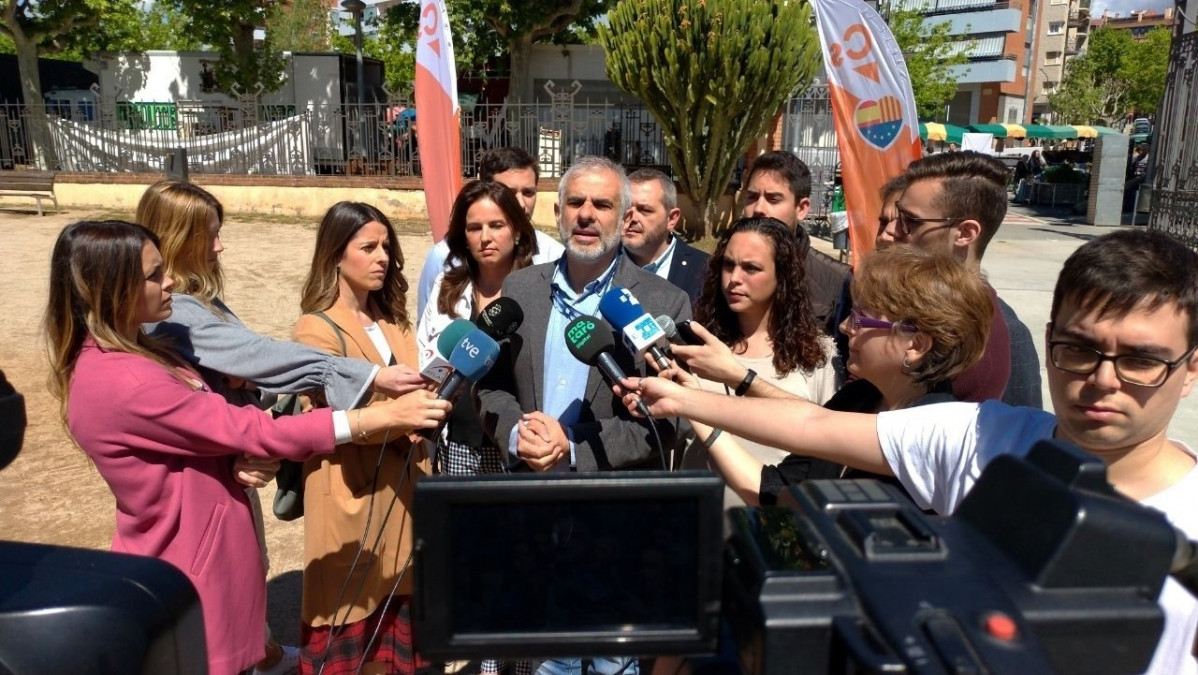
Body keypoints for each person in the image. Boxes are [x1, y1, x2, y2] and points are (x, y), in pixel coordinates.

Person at [626, 228, 1198, 675]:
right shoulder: (981, 436)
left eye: (1141, 360)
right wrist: (685, 399)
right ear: (1050, 344)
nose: (1102, 380)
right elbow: (808, 423)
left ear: (1190, 369)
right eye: (1078, 349)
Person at [47, 220, 448, 675]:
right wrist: (377, 417)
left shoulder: (141, 350)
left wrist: (230, 458)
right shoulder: (126, 378)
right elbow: (247, 427)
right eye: (155, 274)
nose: (172, 281)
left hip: (201, 555)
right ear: (111, 287)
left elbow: (196, 430)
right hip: (188, 569)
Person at [136, 180, 427, 675]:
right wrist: (379, 389)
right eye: (210, 234)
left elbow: (252, 381)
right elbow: (261, 361)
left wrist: (252, 407)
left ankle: (261, 653)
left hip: (375, 484)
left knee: (248, 580)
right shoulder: (176, 315)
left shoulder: (201, 304)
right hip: (341, 485)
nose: (220, 245)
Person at [476, 156, 691, 675]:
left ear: (624, 218)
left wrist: (570, 450)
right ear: (557, 212)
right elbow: (490, 386)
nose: (587, 215)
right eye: (576, 203)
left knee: (613, 661)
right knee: (548, 659)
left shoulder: (663, 302)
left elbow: (666, 421)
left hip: (612, 516)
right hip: (533, 507)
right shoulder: (522, 288)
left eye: (602, 204)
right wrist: (518, 435)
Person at [674, 245, 992, 506]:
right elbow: (775, 490)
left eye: (861, 319)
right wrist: (695, 407)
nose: (844, 327)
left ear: (916, 345)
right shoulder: (859, 397)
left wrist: (691, 402)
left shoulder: (931, 437)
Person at [291, 202, 433, 675]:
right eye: (367, 248)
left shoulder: (392, 318)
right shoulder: (314, 328)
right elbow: (327, 416)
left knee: (397, 612)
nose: (382, 259)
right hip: (350, 492)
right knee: (351, 617)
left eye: (386, 247)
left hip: (404, 491)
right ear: (335, 254)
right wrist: (401, 413)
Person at [676, 217, 839, 505]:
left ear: (782, 276)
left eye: (751, 268)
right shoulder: (695, 344)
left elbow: (830, 440)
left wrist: (738, 376)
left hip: (775, 524)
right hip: (700, 525)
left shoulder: (817, 354)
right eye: (728, 265)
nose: (734, 278)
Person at [876, 151, 1042, 408]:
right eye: (897, 216)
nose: (891, 231)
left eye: (910, 221)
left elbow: (1019, 434)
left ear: (965, 233)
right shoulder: (903, 306)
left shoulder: (1002, 333)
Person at [418, 181, 538, 478]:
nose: (485, 238)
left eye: (497, 225)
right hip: (458, 442)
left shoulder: (540, 288)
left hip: (518, 444)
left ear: (517, 230)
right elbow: (425, 352)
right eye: (474, 228)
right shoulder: (445, 287)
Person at [417, 147, 564, 316]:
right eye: (508, 193)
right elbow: (426, 325)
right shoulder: (443, 256)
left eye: (528, 193)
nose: (521, 204)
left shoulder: (553, 255)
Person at [740, 151, 850, 348]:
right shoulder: (722, 270)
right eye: (752, 197)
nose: (758, 209)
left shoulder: (837, 282)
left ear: (802, 208)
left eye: (773, 199)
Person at [621, 168, 709, 302]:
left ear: (672, 218)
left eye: (644, 210)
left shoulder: (705, 269)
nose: (631, 218)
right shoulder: (599, 264)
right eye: (625, 208)